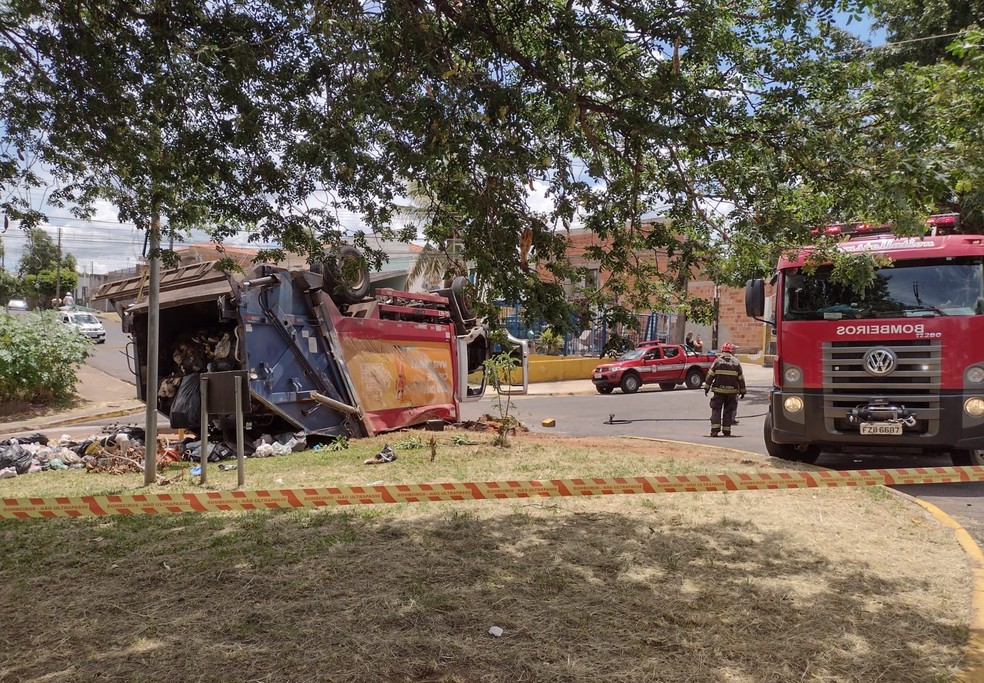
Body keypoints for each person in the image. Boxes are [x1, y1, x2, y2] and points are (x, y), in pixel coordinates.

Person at [703, 341, 745, 437]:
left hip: (719, 391)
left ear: (722, 351)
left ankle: (715, 430)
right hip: (732, 392)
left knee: (716, 410)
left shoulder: (717, 361)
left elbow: (710, 375)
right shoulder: (736, 362)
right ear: (731, 351)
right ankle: (726, 431)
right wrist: (743, 391)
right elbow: (740, 378)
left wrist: (706, 387)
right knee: (728, 411)